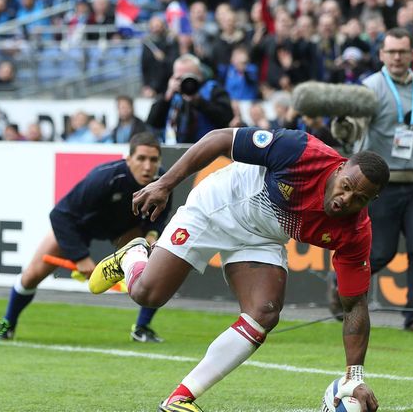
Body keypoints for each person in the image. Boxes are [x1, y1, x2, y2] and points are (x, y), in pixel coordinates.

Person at [88, 127, 387, 412]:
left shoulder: (356, 231)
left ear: (370, 201)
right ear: (339, 168)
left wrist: (354, 376)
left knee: (265, 311)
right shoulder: (300, 151)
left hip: (263, 238)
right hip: (218, 206)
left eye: (359, 199)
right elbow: (219, 139)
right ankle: (134, 255)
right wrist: (164, 184)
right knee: (147, 294)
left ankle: (180, 398)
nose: (345, 200)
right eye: (346, 187)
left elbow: (355, 305)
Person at [332, 27, 413, 332]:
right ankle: (339, 282)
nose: (397, 57)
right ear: (381, 55)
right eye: (391, 51)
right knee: (381, 252)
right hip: (379, 186)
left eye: (402, 51)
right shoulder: (370, 87)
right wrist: (341, 125)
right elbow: (352, 130)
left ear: (412, 54)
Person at [0, 133, 172, 343]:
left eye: (153, 160)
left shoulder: (162, 181)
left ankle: (141, 328)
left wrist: (151, 236)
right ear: (128, 159)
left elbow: (159, 217)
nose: (148, 166)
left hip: (126, 228)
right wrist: (81, 257)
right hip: (80, 226)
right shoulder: (104, 177)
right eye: (141, 158)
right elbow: (60, 215)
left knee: (155, 265)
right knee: (32, 275)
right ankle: (7, 323)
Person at [145, 54, 234, 144]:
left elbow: (226, 118)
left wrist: (199, 101)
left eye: (188, 77)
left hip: (208, 150)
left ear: (199, 74)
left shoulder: (212, 90)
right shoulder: (172, 95)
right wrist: (167, 97)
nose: (184, 83)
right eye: (179, 78)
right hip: (175, 151)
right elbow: (152, 123)